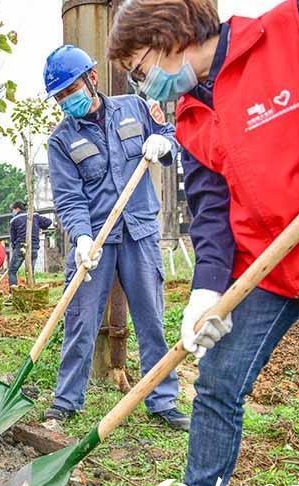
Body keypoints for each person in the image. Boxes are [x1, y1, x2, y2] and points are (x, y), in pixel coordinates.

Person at [107, 0, 299, 486]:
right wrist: (206, 291)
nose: (146, 87)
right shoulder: (191, 113)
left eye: (142, 70)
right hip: (267, 266)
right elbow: (211, 211)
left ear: (170, 36)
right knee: (216, 382)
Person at [44, 45, 189, 432]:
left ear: (91, 78)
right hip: (95, 241)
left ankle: (162, 402)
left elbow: (169, 134)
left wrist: (164, 145)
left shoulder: (135, 107)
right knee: (80, 320)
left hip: (139, 231)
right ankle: (65, 403)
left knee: (151, 321)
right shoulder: (61, 140)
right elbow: (70, 197)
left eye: (69, 90)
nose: (66, 100)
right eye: (59, 96)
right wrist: (80, 238)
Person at [7, 201, 53, 287]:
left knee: (12, 271)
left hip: (21, 246)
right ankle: (32, 289)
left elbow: (13, 238)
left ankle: (13, 291)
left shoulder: (14, 220)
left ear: (17, 209)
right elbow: (48, 222)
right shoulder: (34, 215)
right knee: (30, 271)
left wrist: (14, 247)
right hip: (34, 246)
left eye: (12, 210)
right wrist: (39, 226)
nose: (12, 212)